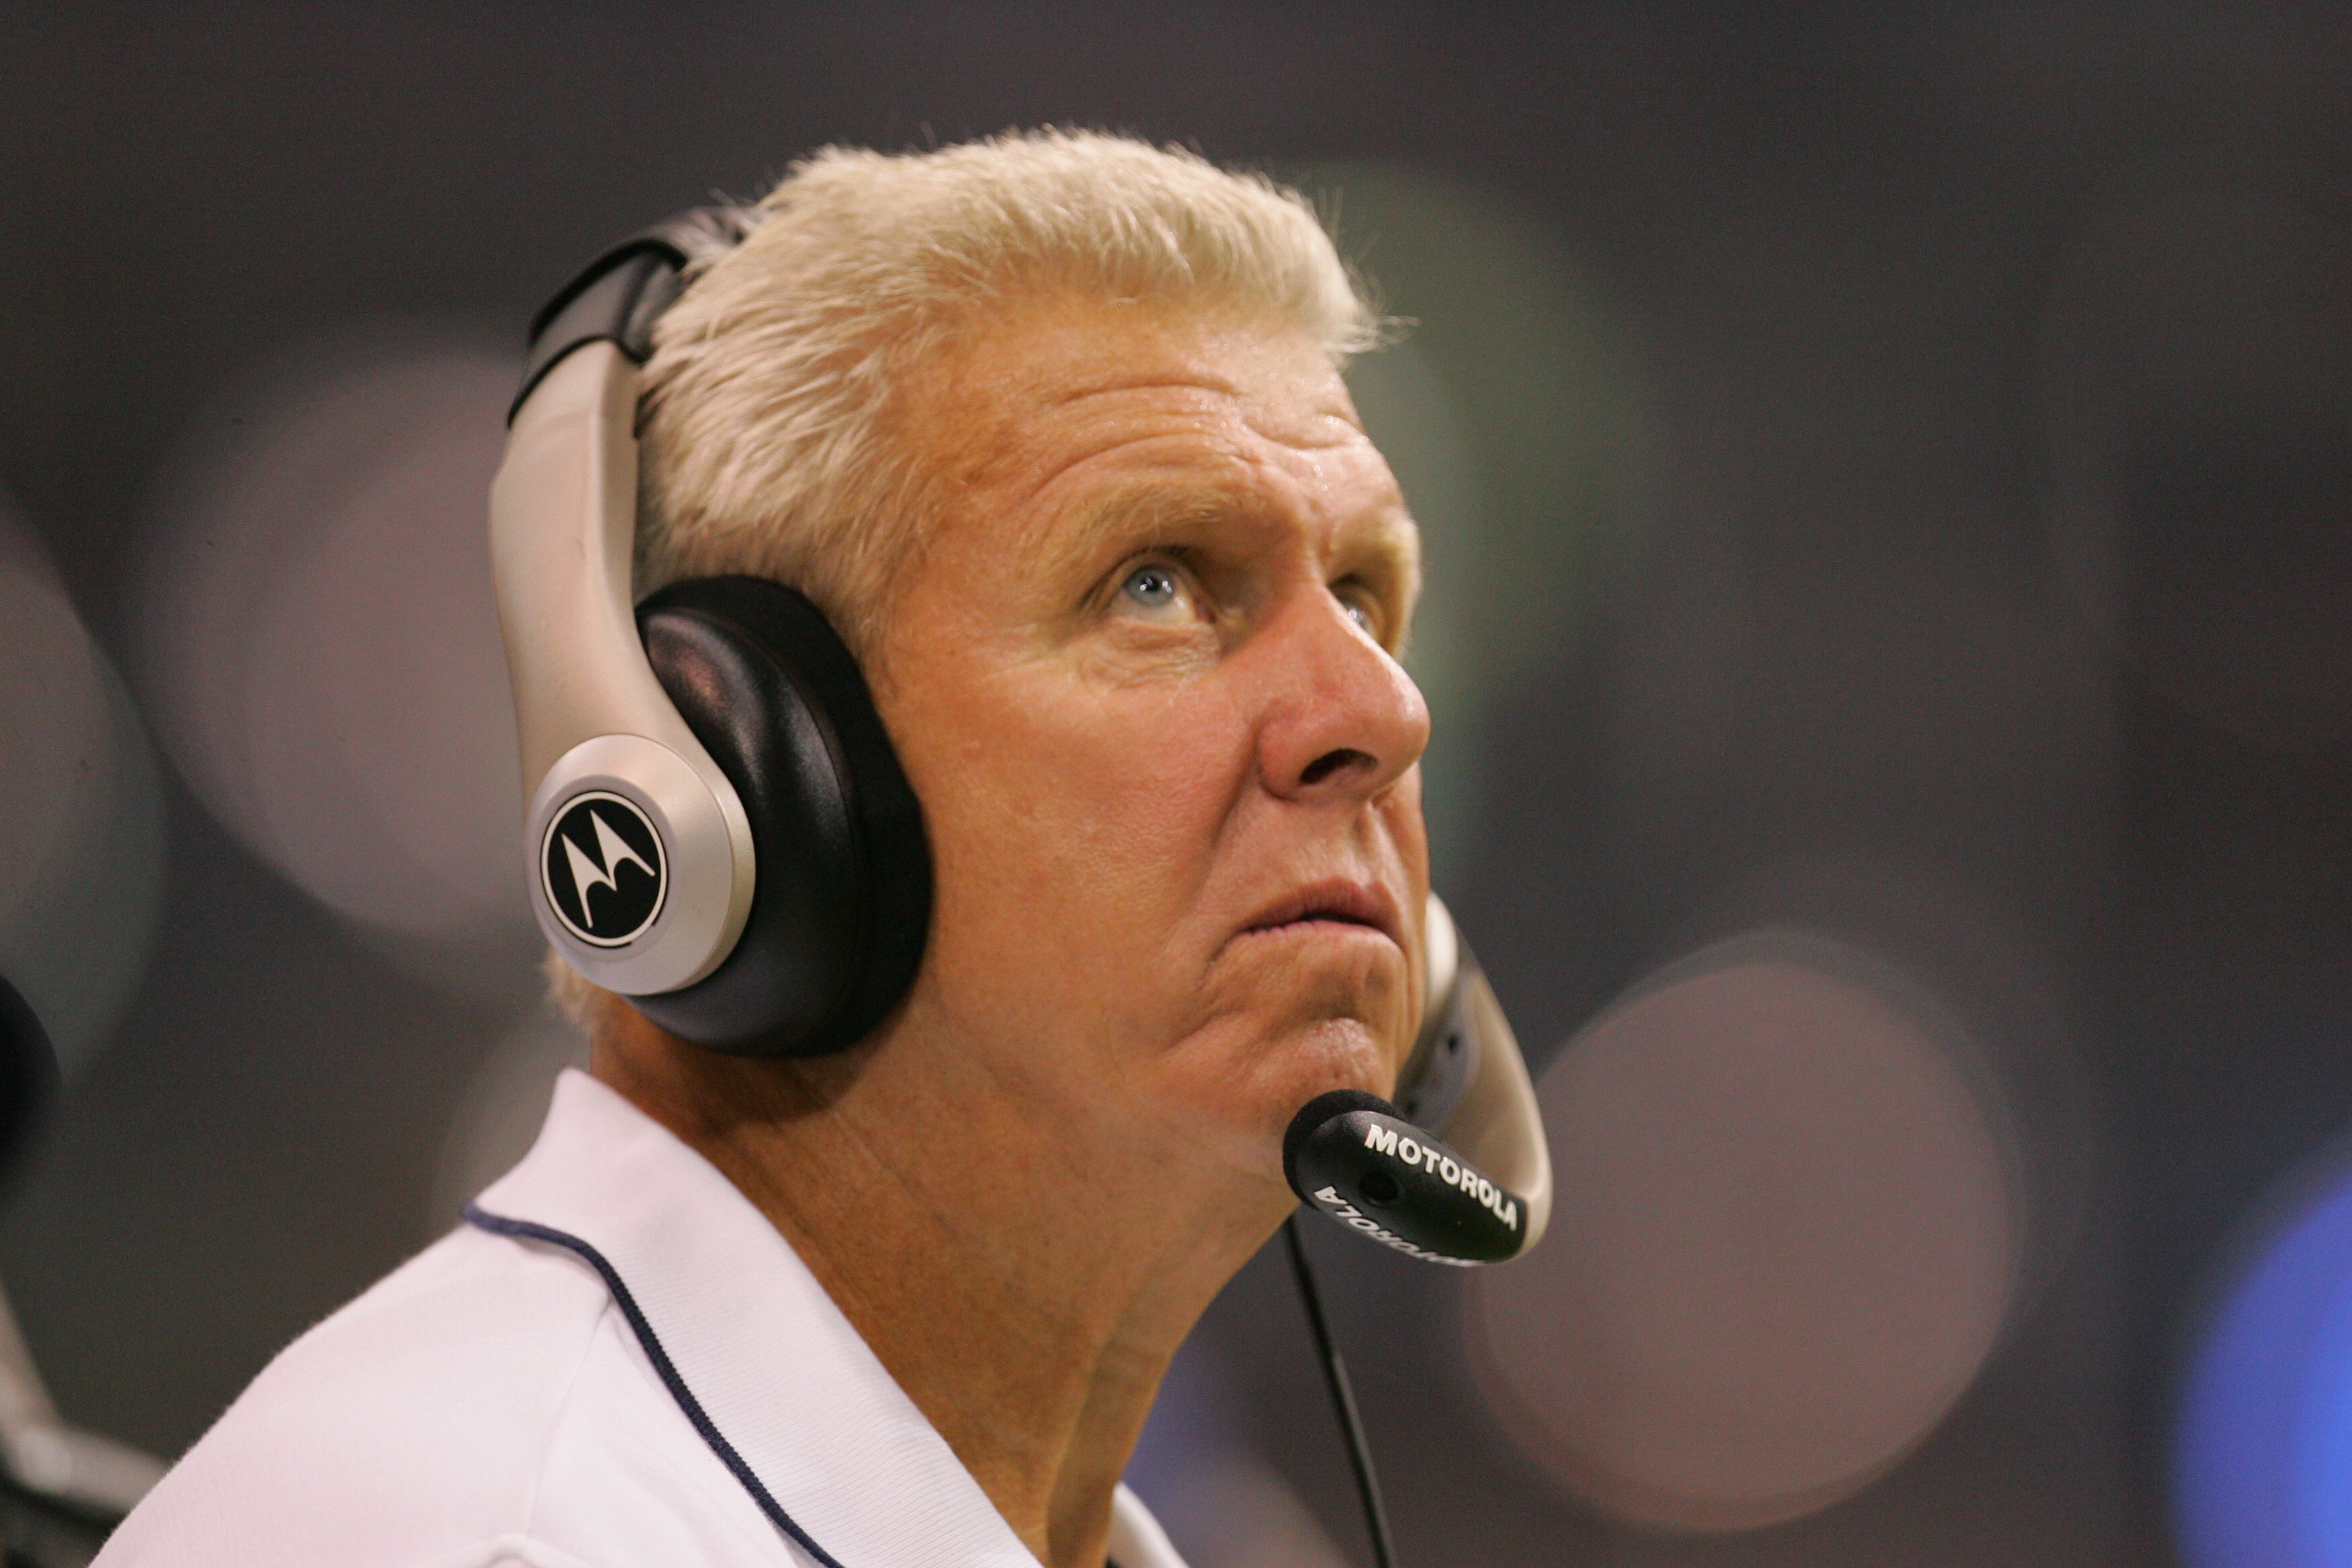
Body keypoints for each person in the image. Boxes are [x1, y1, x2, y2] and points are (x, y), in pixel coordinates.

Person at [98, 129, 1433, 1568]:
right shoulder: (483, 1536)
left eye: (1362, 597)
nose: (1383, 707)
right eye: (1156, 582)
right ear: (739, 789)